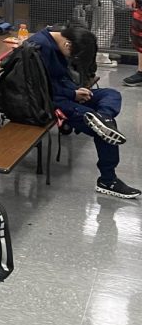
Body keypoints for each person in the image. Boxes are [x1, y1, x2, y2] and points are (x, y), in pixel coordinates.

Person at [28, 23, 138, 199]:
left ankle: (102, 117)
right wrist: (72, 94)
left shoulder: (56, 37)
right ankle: (107, 180)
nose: (73, 59)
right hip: (54, 102)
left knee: (111, 94)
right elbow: (40, 89)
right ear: (68, 45)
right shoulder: (39, 48)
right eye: (74, 55)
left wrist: (76, 92)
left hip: (70, 93)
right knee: (103, 131)